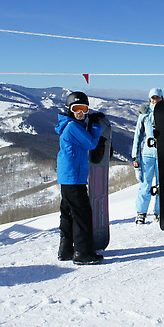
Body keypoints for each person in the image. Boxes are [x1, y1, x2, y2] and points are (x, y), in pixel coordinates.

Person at [55, 91, 105, 265]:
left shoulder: (69, 124)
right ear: (69, 110)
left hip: (67, 176)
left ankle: (66, 250)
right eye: (76, 109)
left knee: (68, 212)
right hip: (74, 177)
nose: (81, 113)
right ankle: (83, 253)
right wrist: (97, 126)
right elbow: (91, 143)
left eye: (84, 109)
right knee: (82, 214)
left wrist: (89, 121)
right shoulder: (72, 127)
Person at [132, 88, 164, 224]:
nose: (155, 100)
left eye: (157, 98)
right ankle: (141, 212)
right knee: (145, 184)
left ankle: (159, 211)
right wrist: (135, 156)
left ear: (162, 98)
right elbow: (138, 136)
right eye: (153, 98)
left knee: (161, 184)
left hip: (163, 153)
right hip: (147, 154)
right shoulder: (144, 114)